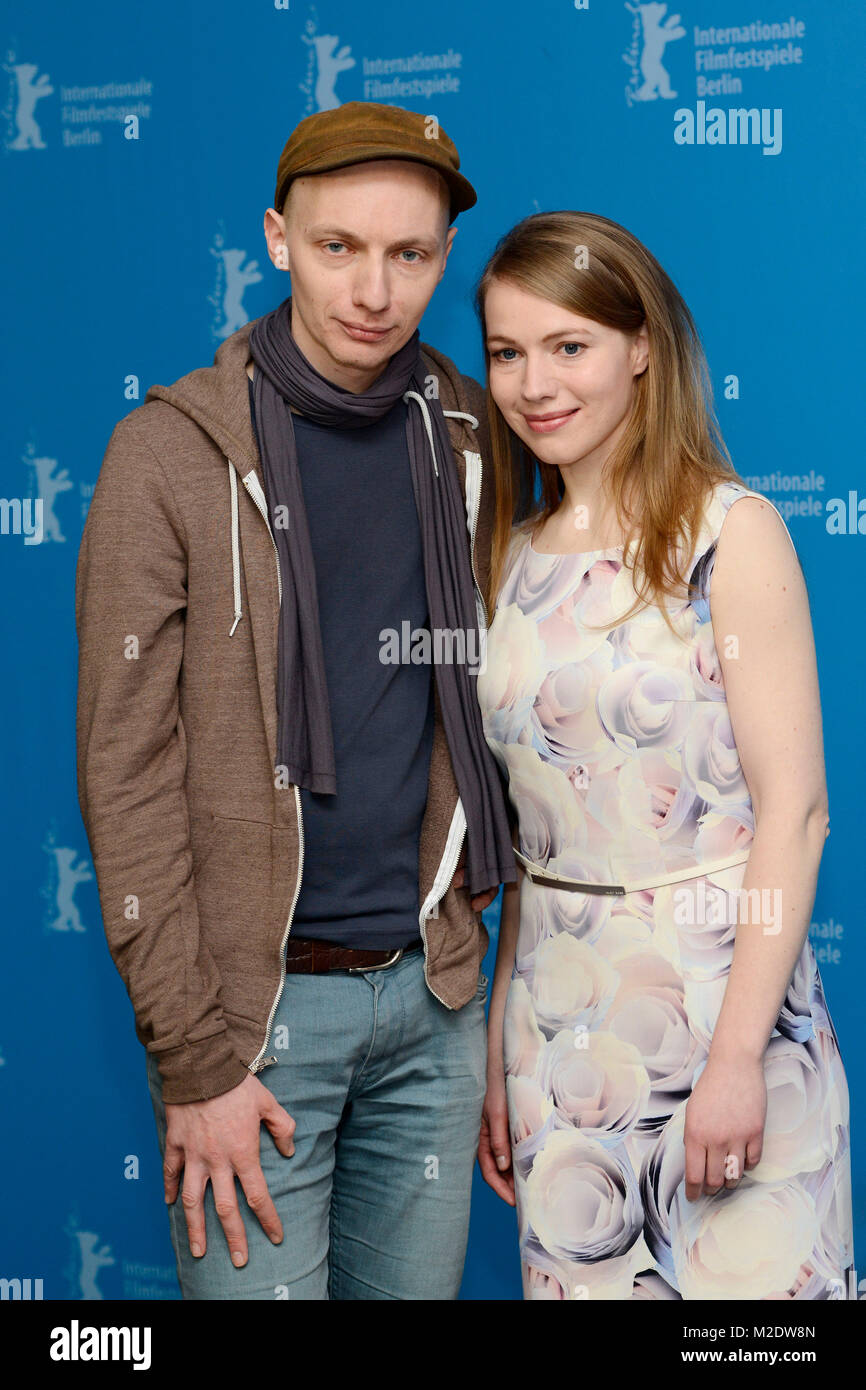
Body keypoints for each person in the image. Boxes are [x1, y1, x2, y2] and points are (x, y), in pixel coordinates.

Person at [75, 101, 516, 1301]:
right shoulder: (163, 457)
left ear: (440, 260)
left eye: (409, 255)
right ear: (276, 238)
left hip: (429, 1002)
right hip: (251, 1024)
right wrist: (193, 1060)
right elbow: (124, 773)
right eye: (337, 248)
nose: (373, 290)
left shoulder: (473, 434)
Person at [474, 210, 853, 1300]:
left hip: (724, 1014)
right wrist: (506, 1045)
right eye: (506, 352)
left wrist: (735, 1058)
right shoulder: (500, 558)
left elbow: (795, 814)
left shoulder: (728, 536)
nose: (533, 382)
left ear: (640, 347)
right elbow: (525, 836)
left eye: (568, 346)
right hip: (555, 1029)